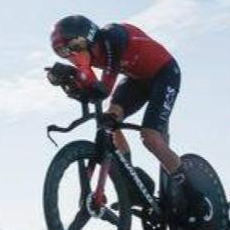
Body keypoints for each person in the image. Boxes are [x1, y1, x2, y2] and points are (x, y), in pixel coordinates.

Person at [47, 15, 186, 206]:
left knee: (150, 137)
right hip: (136, 79)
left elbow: (104, 87)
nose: (70, 55)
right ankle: (131, 182)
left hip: (164, 74)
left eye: (73, 47)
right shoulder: (90, 55)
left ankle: (189, 191)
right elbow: (92, 88)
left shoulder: (113, 36)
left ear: (87, 38)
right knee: (109, 121)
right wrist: (71, 82)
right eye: (63, 52)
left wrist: (82, 76)